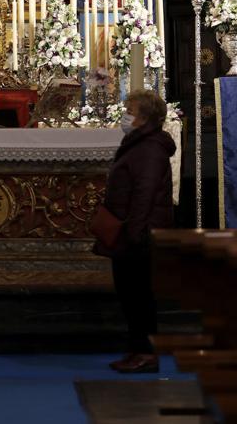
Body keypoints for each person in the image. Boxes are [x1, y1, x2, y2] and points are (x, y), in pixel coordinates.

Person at [96, 89, 175, 373]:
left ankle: (146, 353)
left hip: (139, 234)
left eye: (129, 110)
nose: (125, 115)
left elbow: (144, 192)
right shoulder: (139, 143)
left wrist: (134, 231)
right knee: (130, 294)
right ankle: (137, 348)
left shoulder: (150, 147)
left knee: (139, 295)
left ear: (144, 117)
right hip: (133, 230)